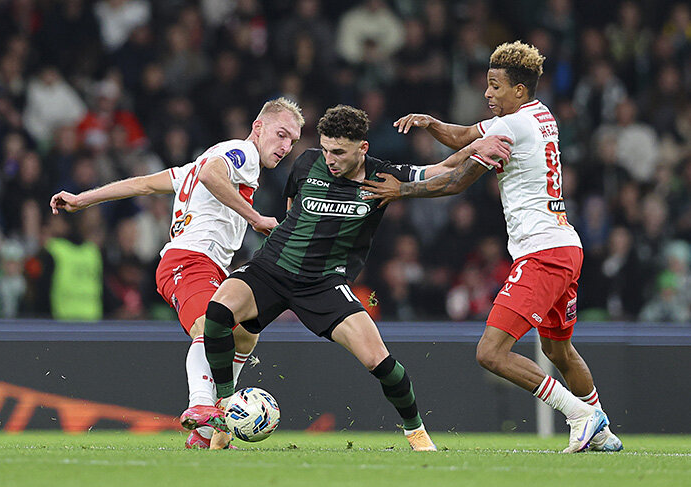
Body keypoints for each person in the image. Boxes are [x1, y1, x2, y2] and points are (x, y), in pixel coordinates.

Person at [192, 104, 511, 451]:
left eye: (339, 152)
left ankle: (417, 433)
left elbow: (441, 169)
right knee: (218, 312)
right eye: (326, 149)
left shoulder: (382, 176)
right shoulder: (306, 162)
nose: (330, 159)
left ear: (362, 148)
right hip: (273, 268)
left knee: (381, 362)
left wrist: (474, 148)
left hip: (324, 284)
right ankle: (225, 408)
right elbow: (291, 210)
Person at [361, 41, 623, 453]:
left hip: (541, 254)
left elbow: (457, 181)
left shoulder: (511, 128)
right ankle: (601, 430)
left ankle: (581, 415)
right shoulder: (540, 115)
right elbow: (465, 135)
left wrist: (402, 191)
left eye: (495, 86)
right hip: (565, 247)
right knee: (558, 349)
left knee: (491, 352)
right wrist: (431, 123)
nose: (487, 93)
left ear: (518, 90)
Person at [50, 97, 304, 449]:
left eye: (292, 140)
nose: (286, 147)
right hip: (189, 260)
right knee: (208, 327)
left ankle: (209, 430)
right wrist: (255, 217)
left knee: (247, 332)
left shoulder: (201, 163)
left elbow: (142, 184)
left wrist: (82, 199)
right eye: (281, 134)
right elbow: (212, 174)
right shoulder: (241, 153)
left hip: (207, 265)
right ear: (258, 127)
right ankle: (200, 404)